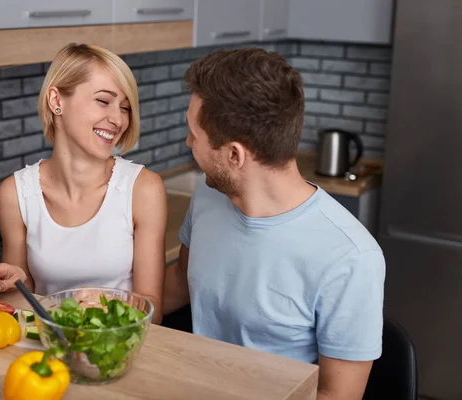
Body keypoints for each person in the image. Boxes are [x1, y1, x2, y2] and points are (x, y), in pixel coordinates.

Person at [163, 48, 385, 398]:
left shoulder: (350, 257)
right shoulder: (207, 200)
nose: (188, 142)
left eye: (194, 134)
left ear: (234, 154)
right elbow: (178, 280)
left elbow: (335, 396)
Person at [0, 43, 167, 324]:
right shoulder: (16, 193)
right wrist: (5, 284)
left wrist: (106, 305)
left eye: (125, 107)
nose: (117, 119)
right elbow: (22, 303)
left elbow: (153, 309)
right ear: (56, 101)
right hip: (50, 349)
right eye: (103, 101)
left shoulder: (143, 190)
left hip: (118, 352)